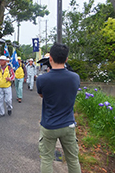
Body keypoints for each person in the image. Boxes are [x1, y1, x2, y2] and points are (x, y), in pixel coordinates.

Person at [36, 43, 81, 173]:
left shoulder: (42, 79)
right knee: (73, 159)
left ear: (50, 59)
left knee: (46, 159)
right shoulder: (75, 77)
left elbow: (41, 95)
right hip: (68, 125)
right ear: (66, 59)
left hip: (49, 125)